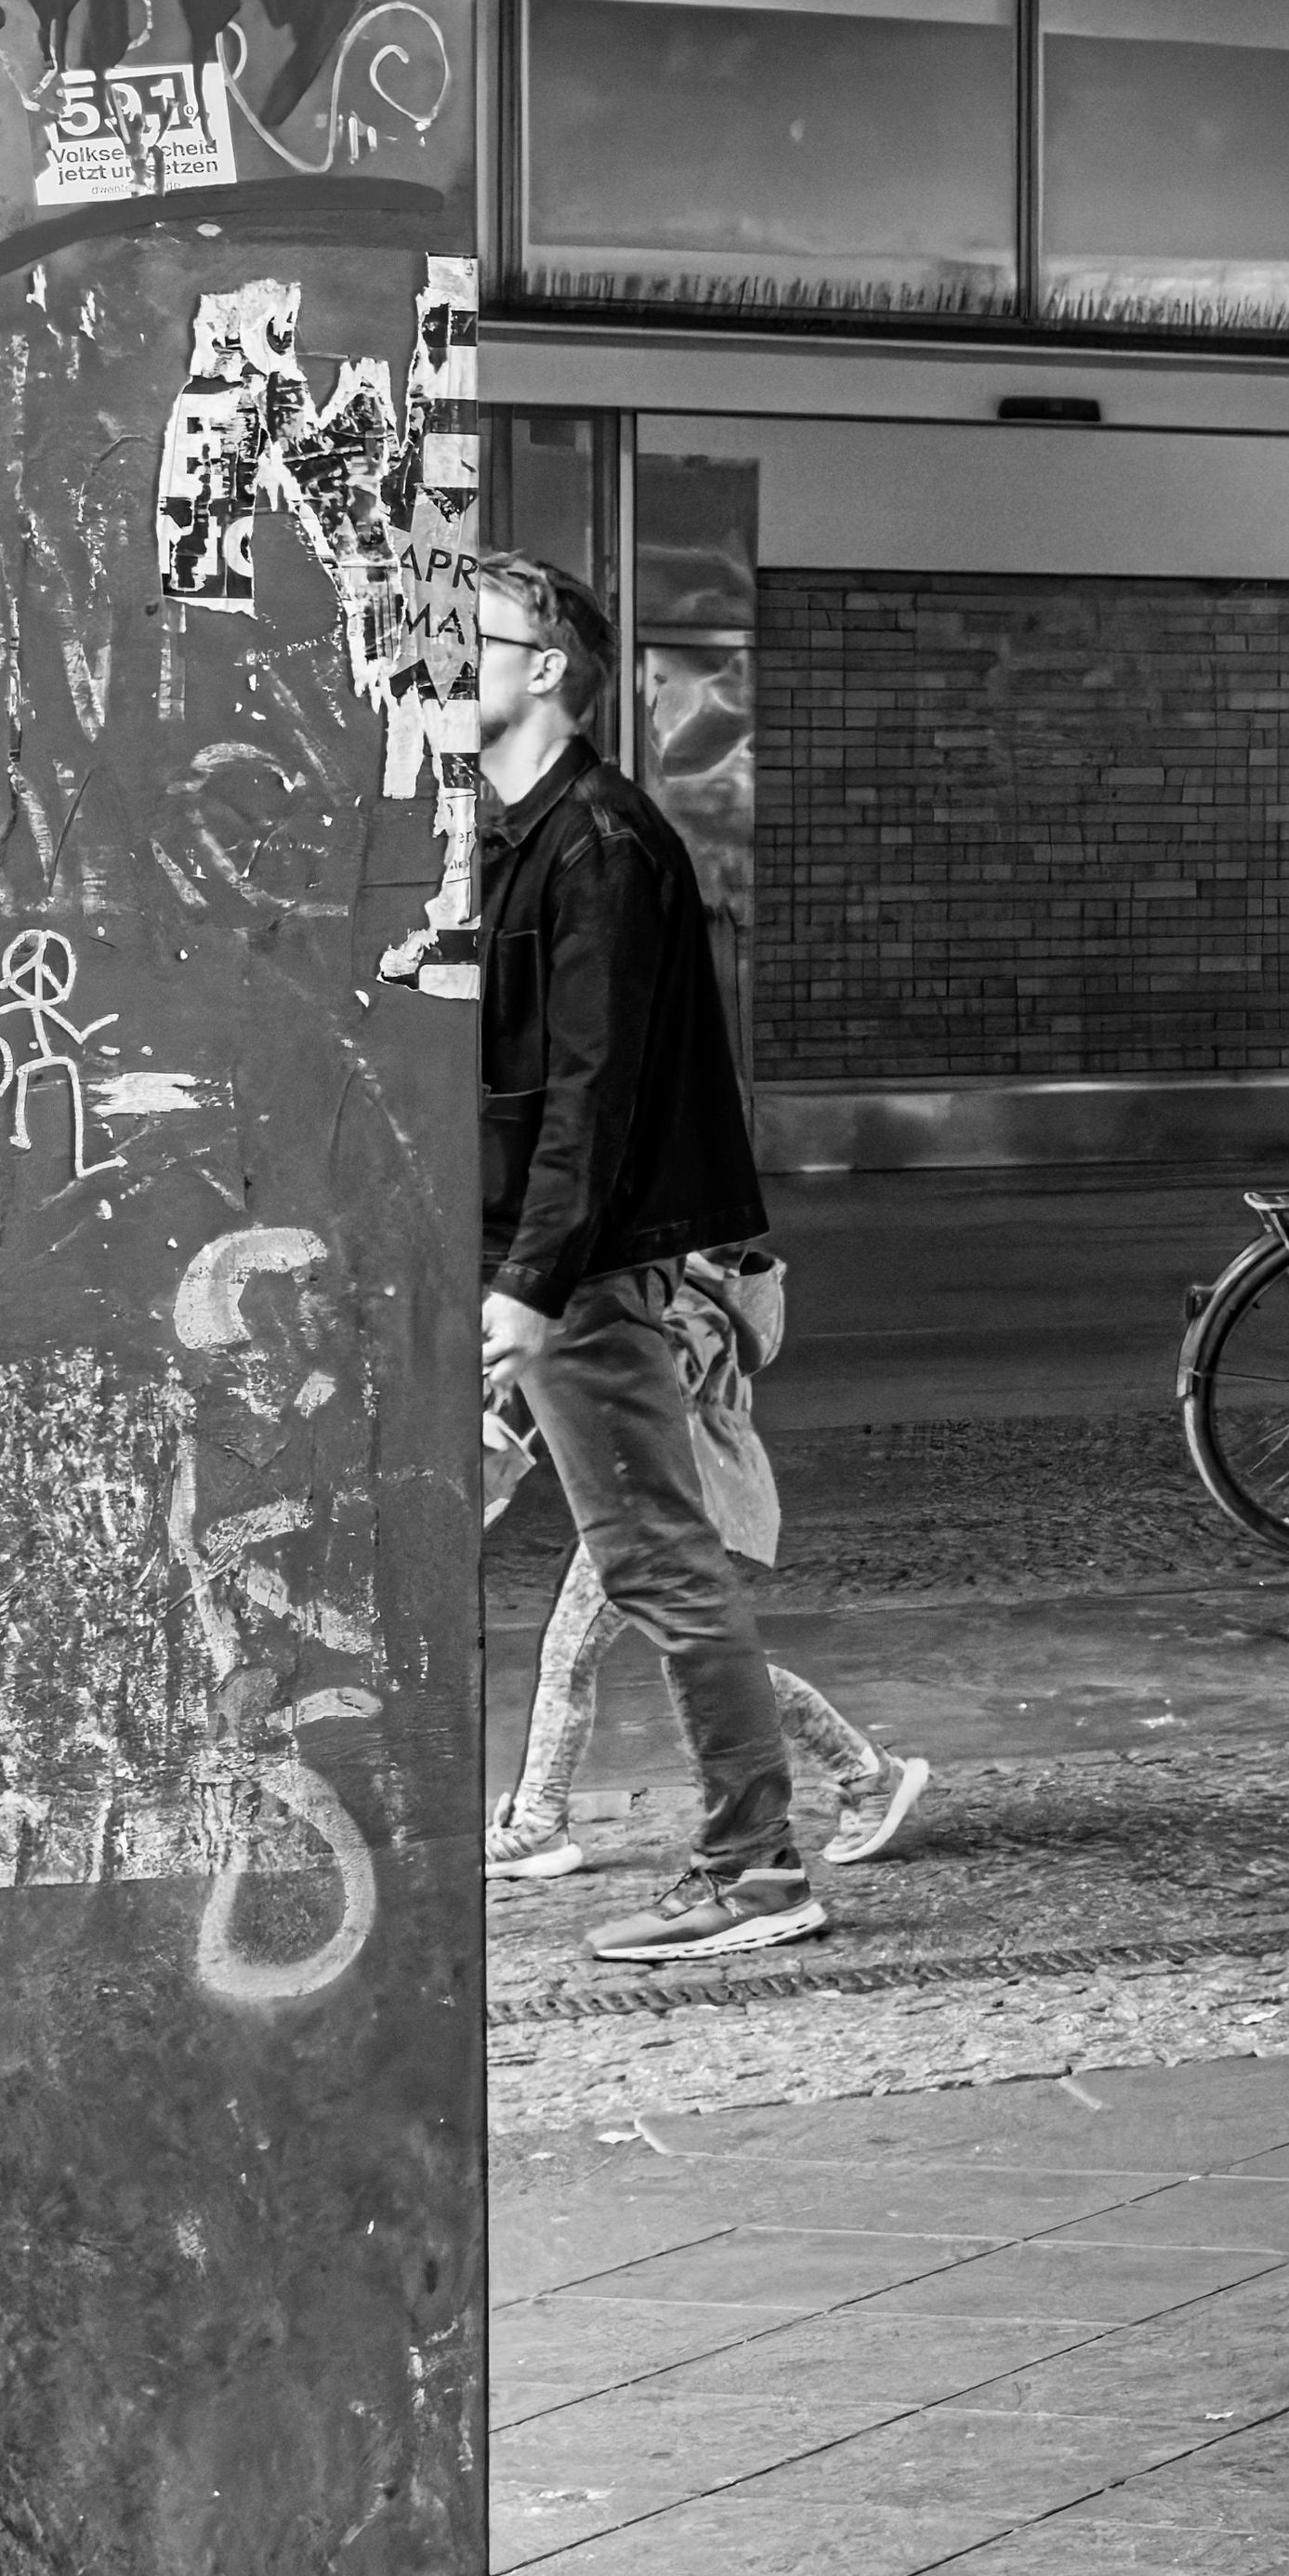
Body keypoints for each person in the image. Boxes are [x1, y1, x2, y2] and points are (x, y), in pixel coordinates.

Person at [472, 553, 828, 1965]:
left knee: (662, 1566)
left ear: (547, 664)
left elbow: (593, 1090)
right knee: (648, 1564)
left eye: (471, 641)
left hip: (580, 1269)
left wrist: (525, 1281)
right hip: (536, 1259)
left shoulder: (601, 844)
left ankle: (756, 1866)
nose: (444, 667)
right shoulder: (512, 834)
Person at [489, 1246, 936, 1876]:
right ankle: (865, 1773)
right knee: (697, 1663)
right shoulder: (685, 1292)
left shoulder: (681, 1301)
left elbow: (648, 1395)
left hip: (667, 1495)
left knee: (594, 1655)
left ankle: (538, 1823)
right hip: (677, 1491)